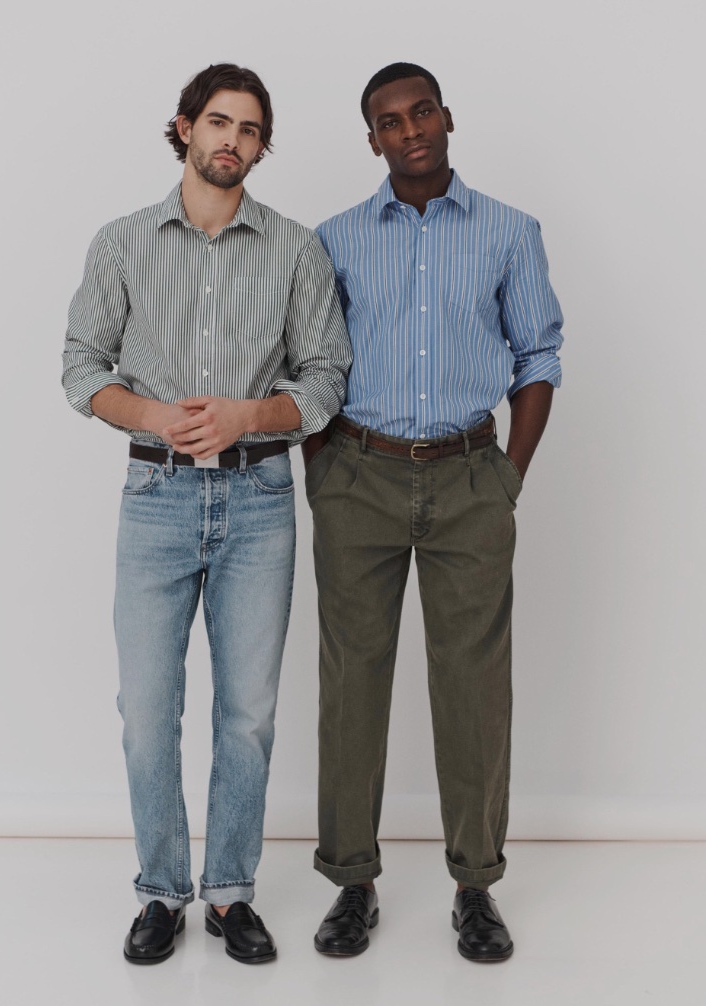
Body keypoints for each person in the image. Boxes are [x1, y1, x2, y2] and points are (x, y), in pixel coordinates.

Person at [62, 62, 350, 966]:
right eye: (217, 122)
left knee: (249, 714)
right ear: (184, 128)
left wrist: (245, 416)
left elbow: (326, 378)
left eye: (250, 129)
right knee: (147, 711)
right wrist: (157, 416)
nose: (232, 140)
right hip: (154, 498)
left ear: (262, 147)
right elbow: (81, 367)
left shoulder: (296, 249)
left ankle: (228, 893)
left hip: (261, 500)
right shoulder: (121, 242)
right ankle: (160, 890)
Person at [304, 62, 563, 962]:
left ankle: (476, 886)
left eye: (421, 111)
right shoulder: (333, 239)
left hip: (468, 480)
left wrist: (507, 479)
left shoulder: (508, 231)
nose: (409, 128)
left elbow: (537, 356)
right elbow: (311, 367)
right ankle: (350, 881)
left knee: (474, 687)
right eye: (388, 120)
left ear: (446, 117)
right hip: (359, 478)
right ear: (371, 139)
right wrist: (325, 469)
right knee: (352, 682)